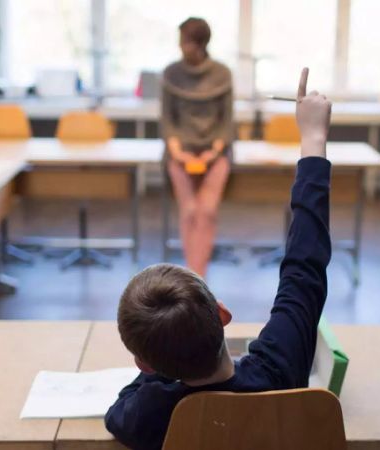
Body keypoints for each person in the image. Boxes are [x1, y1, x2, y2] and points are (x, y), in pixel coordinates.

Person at [106, 68, 332, 450]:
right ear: (223, 314)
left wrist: (154, 362)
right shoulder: (279, 369)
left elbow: (118, 412)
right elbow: (304, 268)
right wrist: (313, 138)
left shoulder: (147, 414)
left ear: (144, 365)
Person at [161, 17, 234, 278]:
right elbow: (168, 120)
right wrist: (177, 151)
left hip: (215, 151)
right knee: (190, 210)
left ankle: (199, 277)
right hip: (180, 151)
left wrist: (213, 151)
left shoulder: (222, 74)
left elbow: (226, 121)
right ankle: (192, 278)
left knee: (207, 211)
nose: (181, 47)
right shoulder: (171, 73)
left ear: (200, 43)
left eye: (186, 41)